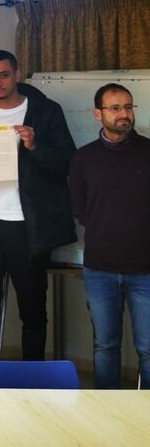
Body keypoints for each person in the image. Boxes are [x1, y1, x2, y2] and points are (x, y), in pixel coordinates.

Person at [0, 50, 75, 361]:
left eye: (4, 75)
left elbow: (68, 163)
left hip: (29, 228)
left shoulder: (45, 111)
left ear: (16, 74)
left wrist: (35, 146)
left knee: (33, 311)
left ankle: (32, 380)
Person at [68, 83, 150, 389]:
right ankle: (107, 417)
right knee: (105, 348)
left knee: (149, 351)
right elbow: (79, 207)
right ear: (97, 113)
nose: (123, 115)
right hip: (100, 269)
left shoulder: (148, 152)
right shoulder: (83, 158)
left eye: (128, 107)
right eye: (115, 108)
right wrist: (106, 226)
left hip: (146, 270)